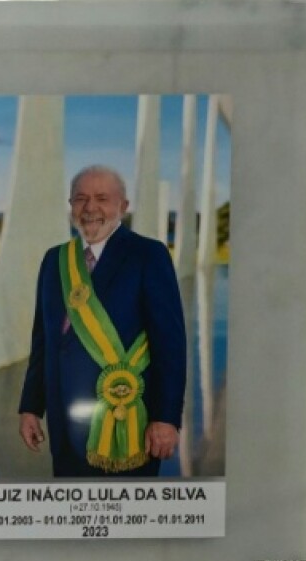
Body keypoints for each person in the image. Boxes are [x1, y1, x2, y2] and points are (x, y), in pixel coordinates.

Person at [18, 165, 185, 477]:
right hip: (62, 421)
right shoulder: (54, 260)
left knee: (130, 521)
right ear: (71, 207)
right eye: (80, 199)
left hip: (128, 420)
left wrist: (166, 418)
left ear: (123, 206)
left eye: (102, 198)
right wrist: (30, 406)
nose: (90, 208)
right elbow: (43, 341)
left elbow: (170, 345)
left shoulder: (149, 255)